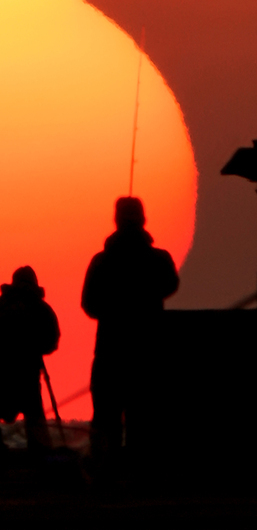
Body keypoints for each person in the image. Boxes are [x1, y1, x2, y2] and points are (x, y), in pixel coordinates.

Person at [81, 196, 179, 472]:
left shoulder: (101, 262)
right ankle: (143, 469)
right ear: (143, 219)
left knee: (105, 414)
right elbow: (171, 284)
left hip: (110, 349)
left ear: (116, 220)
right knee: (144, 414)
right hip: (148, 350)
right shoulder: (159, 259)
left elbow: (89, 303)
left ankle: (104, 469)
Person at [0, 266, 60, 454]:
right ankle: (40, 451)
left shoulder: (0, 303)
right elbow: (51, 341)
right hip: (26, 374)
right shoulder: (42, 308)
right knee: (34, 415)